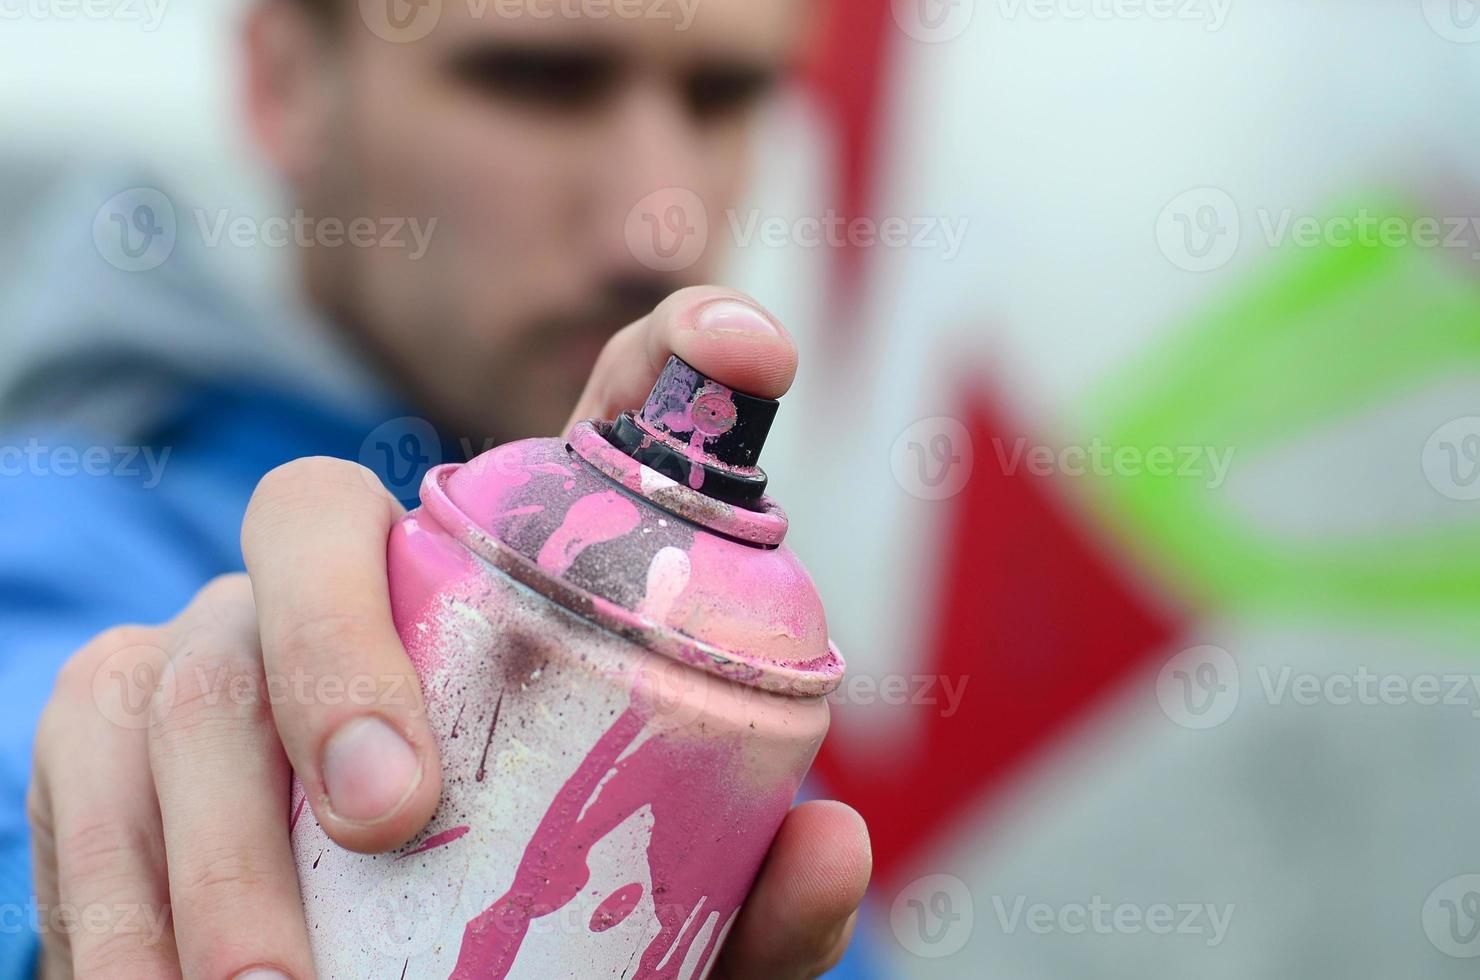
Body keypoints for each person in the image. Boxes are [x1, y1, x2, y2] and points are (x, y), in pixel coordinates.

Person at [0, 1, 872, 976]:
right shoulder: (54, 531)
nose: (656, 229)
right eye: (539, 80)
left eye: (723, 95)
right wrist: (83, 905)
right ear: (284, 80)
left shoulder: (713, 676)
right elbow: (46, 746)